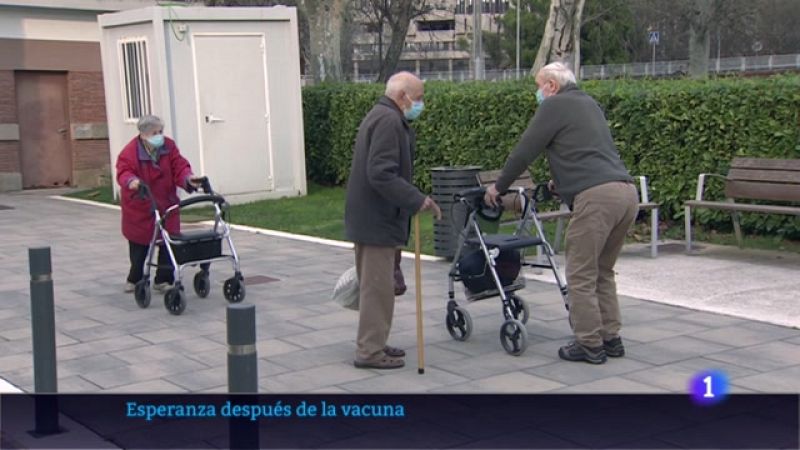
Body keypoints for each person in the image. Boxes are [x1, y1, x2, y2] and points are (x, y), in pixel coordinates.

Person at [484, 62, 639, 365]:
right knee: (602, 270)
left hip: (596, 199)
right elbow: (588, 152)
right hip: (625, 193)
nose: (537, 92)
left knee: (580, 273)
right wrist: (563, 183)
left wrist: (498, 188)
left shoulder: (554, 106)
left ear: (551, 86)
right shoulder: (588, 104)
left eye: (539, 86)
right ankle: (611, 338)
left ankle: (589, 344)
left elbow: (523, 152)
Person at [345, 71, 442, 370]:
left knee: (379, 286)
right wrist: (417, 199)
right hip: (377, 219)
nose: (421, 103)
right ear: (403, 96)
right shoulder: (388, 121)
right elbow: (381, 172)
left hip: (374, 217)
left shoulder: (382, 115)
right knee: (378, 289)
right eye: (419, 97)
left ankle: (375, 342)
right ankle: (369, 351)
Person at [116, 115, 201, 294]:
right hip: (141, 204)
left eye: (161, 131)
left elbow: (179, 166)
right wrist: (131, 181)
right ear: (144, 134)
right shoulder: (130, 152)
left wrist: (188, 178)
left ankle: (163, 279)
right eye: (155, 132)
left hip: (166, 203)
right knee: (139, 246)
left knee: (168, 243)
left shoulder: (168, 147)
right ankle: (135, 278)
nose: (160, 136)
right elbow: (124, 171)